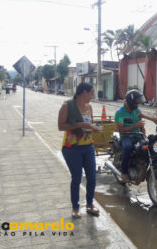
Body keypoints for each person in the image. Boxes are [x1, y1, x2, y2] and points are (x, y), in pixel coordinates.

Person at [58, 82, 100, 218]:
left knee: (92, 178)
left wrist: (94, 128)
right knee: (76, 178)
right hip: (72, 148)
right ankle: (75, 207)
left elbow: (90, 124)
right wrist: (81, 124)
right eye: (91, 93)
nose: (92, 96)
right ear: (83, 93)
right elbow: (61, 126)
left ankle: (89, 204)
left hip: (88, 146)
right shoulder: (67, 106)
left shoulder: (89, 107)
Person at [115, 90, 146, 183]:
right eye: (136, 103)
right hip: (126, 136)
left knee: (149, 147)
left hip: (138, 136)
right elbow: (121, 130)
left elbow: (141, 127)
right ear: (130, 102)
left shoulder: (137, 111)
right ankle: (124, 172)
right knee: (128, 147)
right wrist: (135, 126)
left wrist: (145, 135)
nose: (137, 105)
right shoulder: (120, 113)